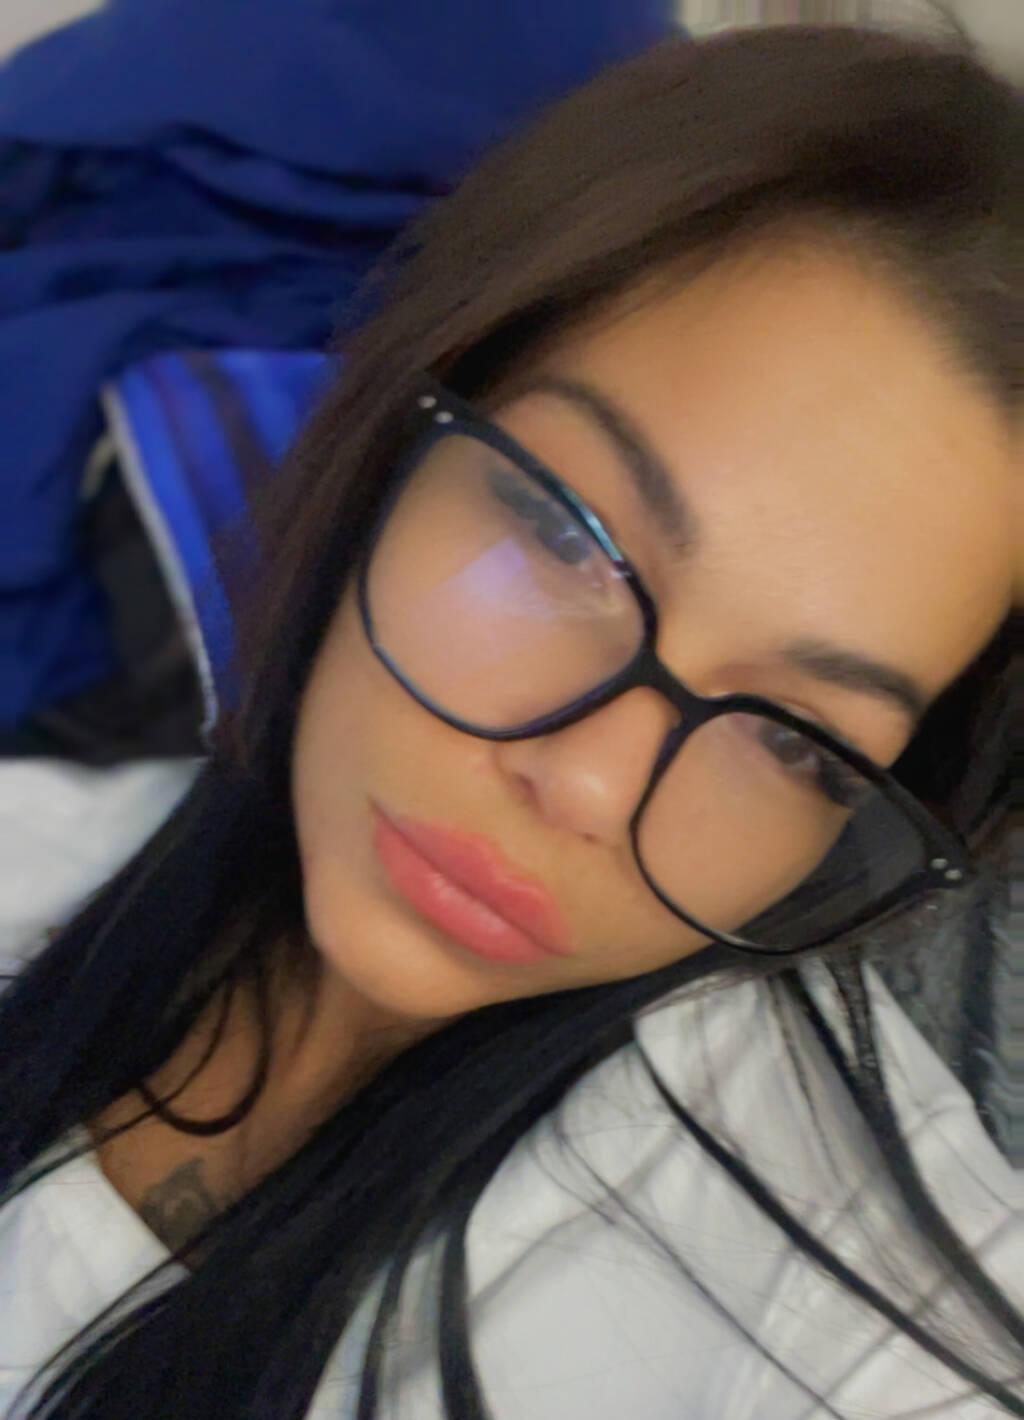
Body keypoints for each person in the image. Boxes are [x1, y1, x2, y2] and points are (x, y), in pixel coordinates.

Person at [0, 22, 1020, 1420]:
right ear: (401, 426)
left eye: (798, 739)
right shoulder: (55, 812)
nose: (592, 786)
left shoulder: (814, 1317)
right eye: (567, 538)